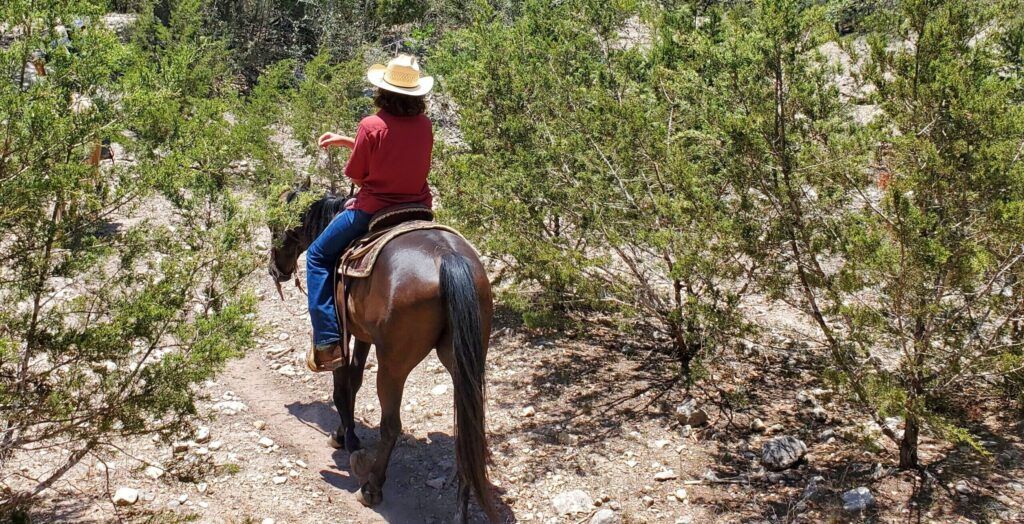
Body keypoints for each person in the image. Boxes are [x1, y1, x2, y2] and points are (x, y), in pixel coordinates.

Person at [306, 54, 435, 372]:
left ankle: (327, 342)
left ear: (383, 90)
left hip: (373, 210)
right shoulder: (425, 125)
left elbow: (357, 175)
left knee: (317, 256)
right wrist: (352, 142)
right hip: (418, 207)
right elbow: (400, 154)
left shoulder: (371, 125)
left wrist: (359, 145)